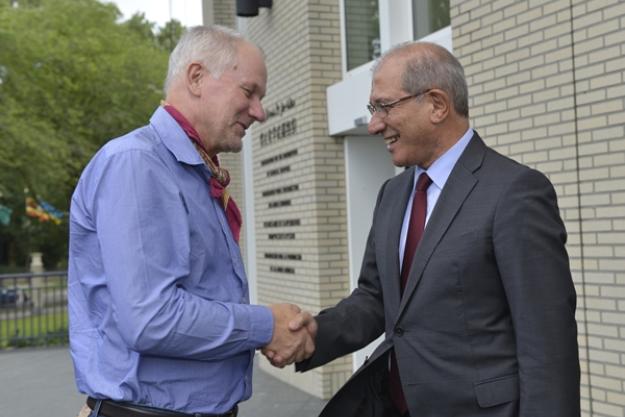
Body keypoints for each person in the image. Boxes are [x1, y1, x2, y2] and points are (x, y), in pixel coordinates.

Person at [279, 41, 580, 417]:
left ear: (437, 104)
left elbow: (548, 343)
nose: (374, 125)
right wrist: (313, 335)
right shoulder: (393, 193)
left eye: (384, 107)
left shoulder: (515, 192)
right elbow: (376, 298)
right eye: (373, 109)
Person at [69, 25, 315, 417]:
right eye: (249, 92)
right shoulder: (138, 164)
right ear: (197, 77)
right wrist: (265, 324)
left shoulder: (192, 171)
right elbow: (151, 319)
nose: (259, 112)